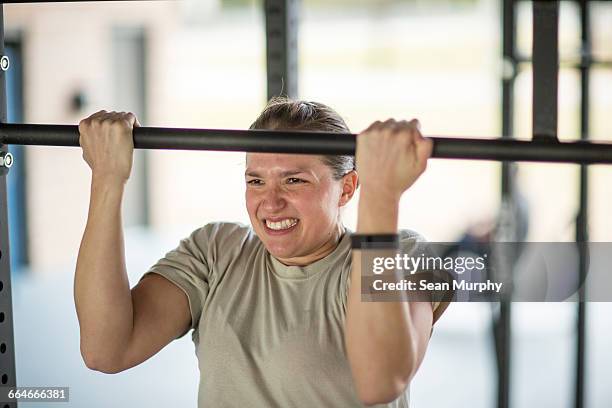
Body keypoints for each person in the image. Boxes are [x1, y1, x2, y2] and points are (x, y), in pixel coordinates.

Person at [74, 97, 450, 407]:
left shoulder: (403, 254)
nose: (270, 203)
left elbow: (381, 382)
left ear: (348, 188)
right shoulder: (216, 251)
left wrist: (383, 195)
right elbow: (106, 351)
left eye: (294, 180)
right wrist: (107, 178)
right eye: (256, 181)